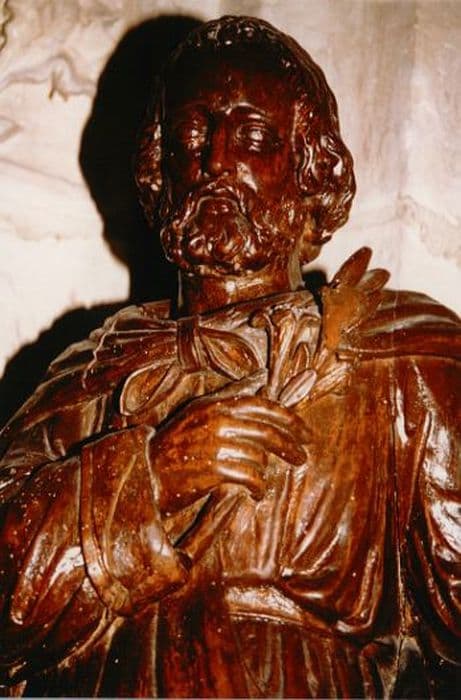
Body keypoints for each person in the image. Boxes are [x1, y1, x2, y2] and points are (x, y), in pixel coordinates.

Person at [0, 15, 460, 698]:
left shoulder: (398, 357)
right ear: (158, 171)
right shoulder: (90, 376)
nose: (214, 161)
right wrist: (149, 478)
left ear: (310, 170)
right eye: (190, 137)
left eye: (251, 136)